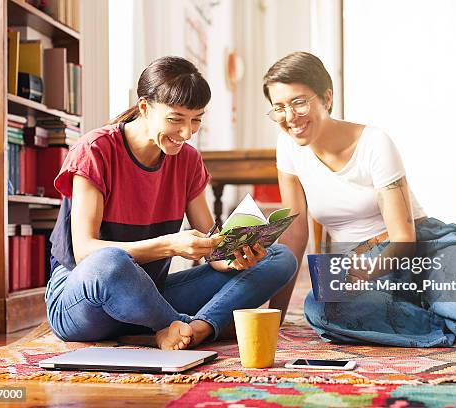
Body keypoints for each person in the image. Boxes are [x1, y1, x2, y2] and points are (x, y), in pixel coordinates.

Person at [264, 51, 456, 348]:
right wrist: (272, 317)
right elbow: (295, 232)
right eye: (279, 107)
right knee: (320, 307)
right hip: (362, 260)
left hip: (425, 248)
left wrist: (365, 273)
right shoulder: (288, 147)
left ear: (327, 98)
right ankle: (450, 316)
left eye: (299, 102)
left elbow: (404, 239)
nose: (289, 117)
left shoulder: (373, 142)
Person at [45, 56, 297, 350]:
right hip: (85, 302)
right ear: (144, 108)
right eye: (176, 119)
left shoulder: (187, 160)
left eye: (196, 120)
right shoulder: (95, 150)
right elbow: (86, 252)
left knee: (280, 257)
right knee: (110, 262)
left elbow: (214, 250)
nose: (187, 133)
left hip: (149, 299)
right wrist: (170, 245)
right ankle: (174, 324)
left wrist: (234, 256)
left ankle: (196, 328)